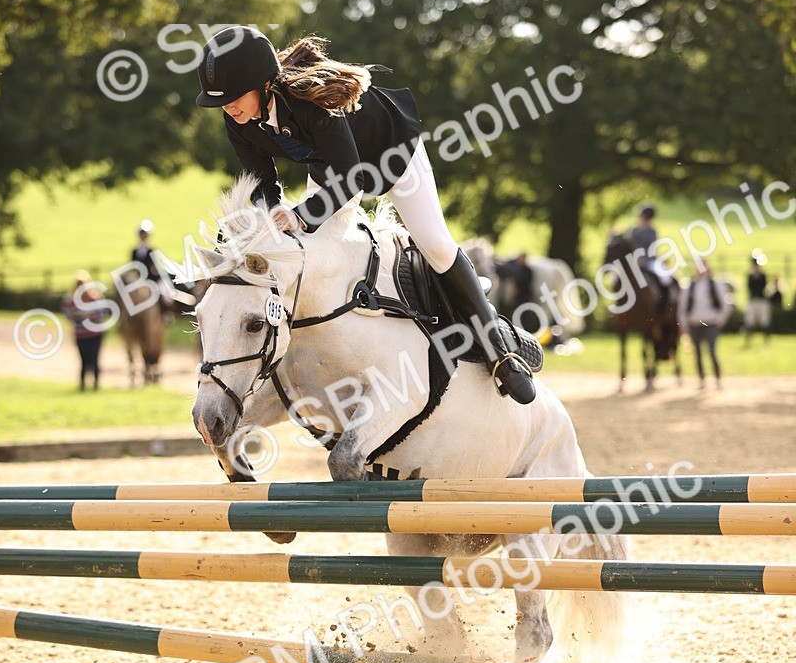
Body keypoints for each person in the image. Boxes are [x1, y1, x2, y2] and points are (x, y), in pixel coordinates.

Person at [195, 25, 535, 404]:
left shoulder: (310, 102)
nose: (227, 107)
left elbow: (353, 177)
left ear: (263, 84)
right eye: (220, 101)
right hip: (332, 167)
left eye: (233, 98)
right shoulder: (238, 119)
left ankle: (499, 349)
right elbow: (262, 179)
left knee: (436, 246)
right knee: (309, 252)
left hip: (391, 155)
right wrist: (274, 216)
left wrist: (302, 215)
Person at [679, 262, 732, 389]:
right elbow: (682, 307)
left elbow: (726, 305)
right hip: (694, 323)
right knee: (697, 353)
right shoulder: (690, 286)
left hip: (711, 323)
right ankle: (702, 379)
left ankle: (717, 378)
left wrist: (720, 320)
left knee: (712, 351)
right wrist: (683, 324)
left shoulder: (715, 284)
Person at [61, 270, 111, 390]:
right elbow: (67, 314)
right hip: (80, 335)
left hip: (95, 334)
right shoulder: (71, 301)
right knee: (83, 360)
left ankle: (96, 384)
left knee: (94, 359)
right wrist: (78, 315)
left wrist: (88, 314)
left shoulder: (96, 298)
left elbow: (103, 312)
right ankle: (82, 384)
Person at [626, 203, 673, 305]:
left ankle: (664, 302)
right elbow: (629, 247)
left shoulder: (652, 231)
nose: (643, 219)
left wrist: (643, 260)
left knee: (665, 278)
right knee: (616, 277)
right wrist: (635, 259)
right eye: (642, 217)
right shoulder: (632, 230)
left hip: (649, 260)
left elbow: (651, 248)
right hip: (633, 261)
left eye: (645, 217)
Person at [744, 253, 771, 344]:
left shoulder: (762, 275)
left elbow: (763, 286)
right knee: (749, 321)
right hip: (753, 299)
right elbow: (749, 287)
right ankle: (748, 340)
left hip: (761, 300)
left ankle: (767, 340)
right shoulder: (750, 275)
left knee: (765, 320)